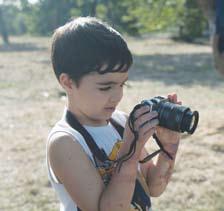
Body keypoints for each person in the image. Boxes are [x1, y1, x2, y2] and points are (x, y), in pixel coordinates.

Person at [46, 16, 181, 211]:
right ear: (68, 82)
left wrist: (169, 145)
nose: (118, 96)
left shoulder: (121, 121)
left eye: (122, 84)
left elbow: (153, 187)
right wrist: (129, 152)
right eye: (106, 87)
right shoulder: (65, 142)